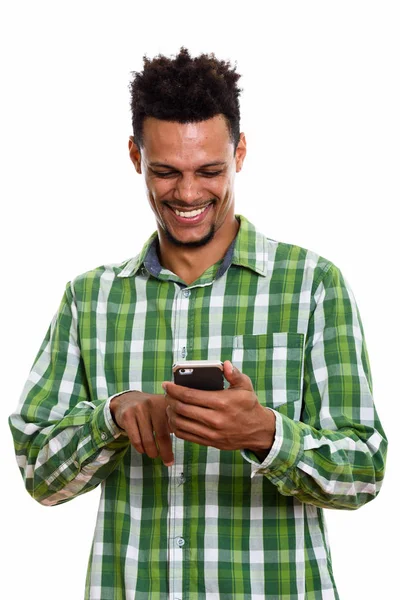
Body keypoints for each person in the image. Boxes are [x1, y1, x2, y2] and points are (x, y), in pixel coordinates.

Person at [9, 47, 387, 600]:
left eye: (210, 170)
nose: (188, 194)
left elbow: (365, 470)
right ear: (136, 157)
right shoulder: (88, 300)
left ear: (240, 152)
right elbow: (39, 476)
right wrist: (111, 418)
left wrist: (266, 434)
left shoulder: (313, 285)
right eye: (166, 172)